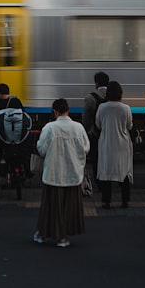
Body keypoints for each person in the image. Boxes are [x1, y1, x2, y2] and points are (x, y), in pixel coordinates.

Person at [33, 98, 89, 248]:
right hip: (73, 174)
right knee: (69, 207)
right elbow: (85, 148)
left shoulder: (50, 128)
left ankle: (43, 234)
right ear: (68, 110)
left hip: (53, 173)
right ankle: (63, 237)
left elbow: (42, 149)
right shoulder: (78, 128)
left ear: (55, 111)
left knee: (50, 207)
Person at [95, 81, 134, 209]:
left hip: (107, 142)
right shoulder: (125, 108)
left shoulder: (102, 107)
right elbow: (129, 126)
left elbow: (98, 124)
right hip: (122, 143)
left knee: (107, 171)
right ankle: (125, 200)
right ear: (120, 93)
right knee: (123, 171)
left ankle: (106, 201)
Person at [81, 71, 109, 197]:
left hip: (95, 134)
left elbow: (86, 118)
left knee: (96, 158)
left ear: (96, 84)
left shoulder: (90, 98)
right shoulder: (113, 95)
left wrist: (86, 131)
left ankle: (99, 183)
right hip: (109, 134)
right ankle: (109, 180)